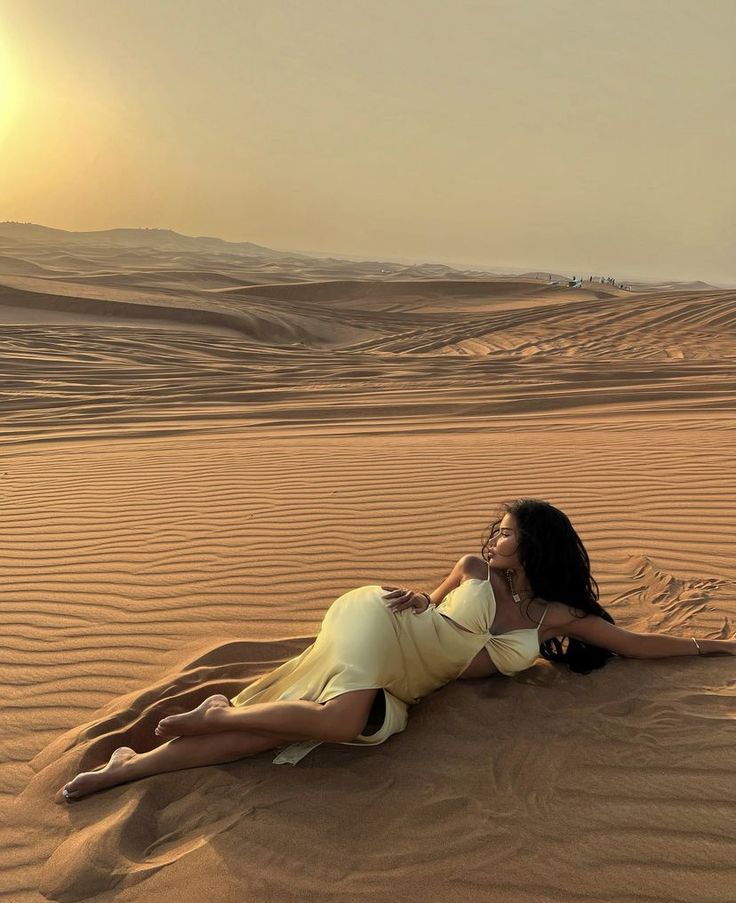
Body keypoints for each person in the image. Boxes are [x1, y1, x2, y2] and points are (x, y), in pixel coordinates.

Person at [61, 499, 735, 801]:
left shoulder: (558, 615)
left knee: (276, 729)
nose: (494, 538)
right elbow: (424, 596)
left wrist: (711, 646)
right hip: (380, 627)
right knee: (341, 720)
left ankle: (128, 766)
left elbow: (636, 642)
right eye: (496, 530)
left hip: (404, 684)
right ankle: (212, 717)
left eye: (506, 532)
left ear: (536, 543)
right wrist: (422, 594)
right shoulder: (473, 567)